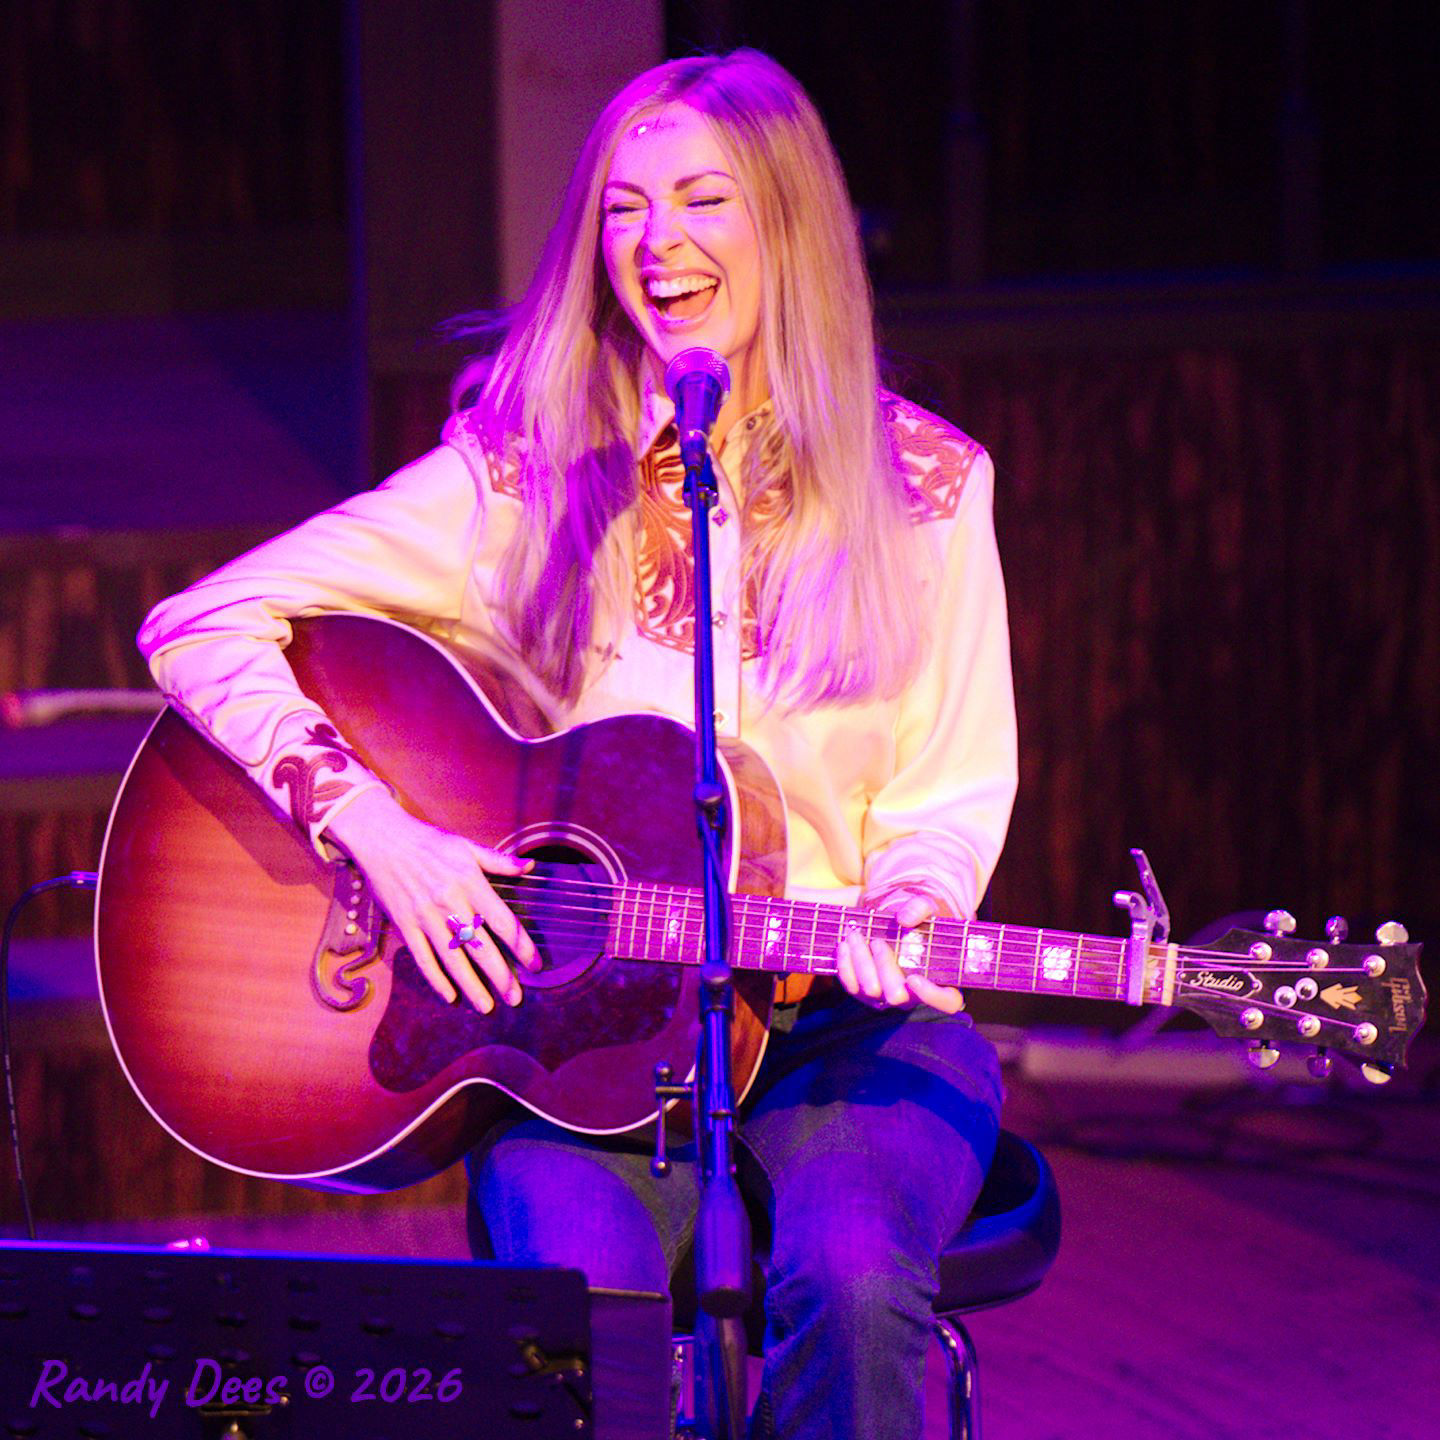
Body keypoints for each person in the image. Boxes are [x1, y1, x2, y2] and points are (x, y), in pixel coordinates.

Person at [139, 49, 1016, 1440]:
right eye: (623, 207)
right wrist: (378, 828)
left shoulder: (929, 486)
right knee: (581, 1323)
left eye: (704, 201)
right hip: (586, 1042)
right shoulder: (525, 472)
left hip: (843, 1029)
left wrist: (915, 894)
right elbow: (200, 625)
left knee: (850, 1284)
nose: (658, 243)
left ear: (788, 224)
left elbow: (951, 786)